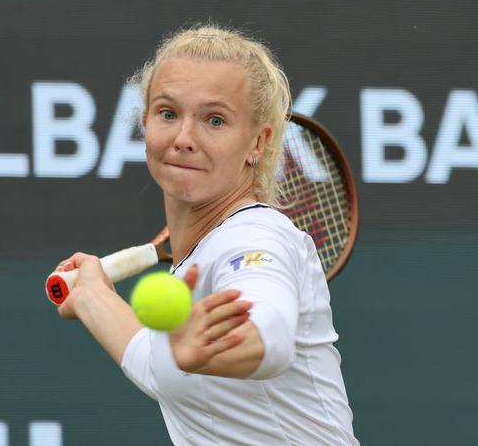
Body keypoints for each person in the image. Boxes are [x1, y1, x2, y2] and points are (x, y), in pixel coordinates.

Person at [55, 24, 359, 445]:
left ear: (258, 142)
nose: (184, 139)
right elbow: (153, 364)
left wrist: (233, 345)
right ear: (145, 122)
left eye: (214, 120)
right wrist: (91, 293)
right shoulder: (194, 263)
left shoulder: (255, 236)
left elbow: (268, 330)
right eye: (168, 113)